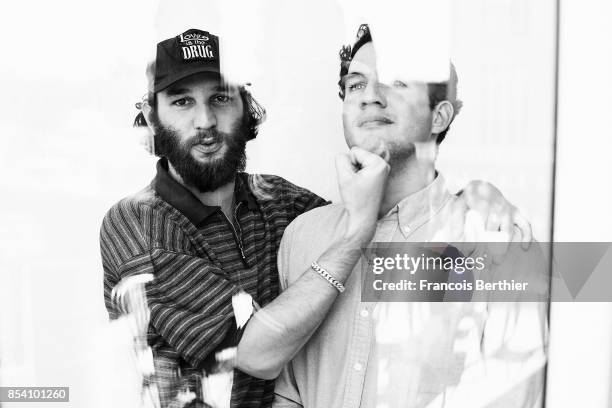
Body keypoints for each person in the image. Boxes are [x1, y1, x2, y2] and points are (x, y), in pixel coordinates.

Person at [101, 28, 532, 408]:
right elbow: (258, 355)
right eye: (181, 102)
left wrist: (479, 202)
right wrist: (357, 232)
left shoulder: (282, 207)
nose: (205, 120)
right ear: (153, 119)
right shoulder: (138, 223)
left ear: (245, 109)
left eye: (220, 98)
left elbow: (384, 216)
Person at [273, 24, 548, 408]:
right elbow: (287, 392)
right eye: (356, 84)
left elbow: (514, 395)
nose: (370, 97)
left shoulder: (498, 242)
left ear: (439, 117)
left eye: (397, 82)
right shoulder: (302, 237)